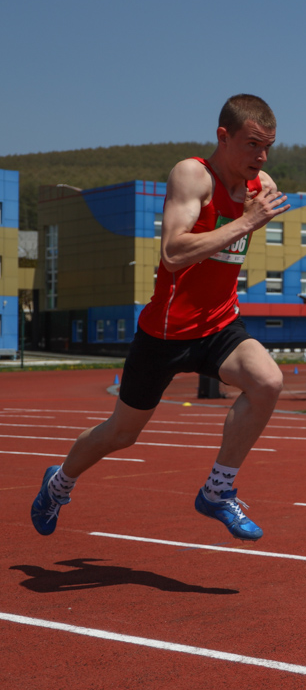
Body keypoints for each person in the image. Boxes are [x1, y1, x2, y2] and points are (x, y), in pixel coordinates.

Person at [30, 94, 289, 541]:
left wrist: (249, 218)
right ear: (223, 137)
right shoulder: (193, 175)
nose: (261, 157)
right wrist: (246, 223)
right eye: (252, 145)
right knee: (120, 434)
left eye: (268, 147)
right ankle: (59, 483)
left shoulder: (259, 184)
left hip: (219, 324)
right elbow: (172, 253)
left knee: (268, 381)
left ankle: (217, 491)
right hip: (166, 333)